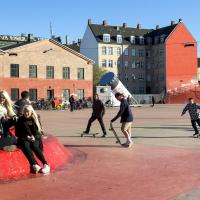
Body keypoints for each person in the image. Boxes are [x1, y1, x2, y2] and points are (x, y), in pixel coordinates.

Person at [15, 105, 50, 174]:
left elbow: (39, 132)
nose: (26, 113)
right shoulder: (20, 120)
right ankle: (35, 164)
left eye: (28, 112)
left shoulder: (35, 118)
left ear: (31, 112)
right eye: (25, 112)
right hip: (24, 138)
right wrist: (26, 136)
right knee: (26, 146)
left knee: (34, 146)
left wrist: (34, 137)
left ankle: (46, 164)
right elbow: (17, 133)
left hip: (35, 138)